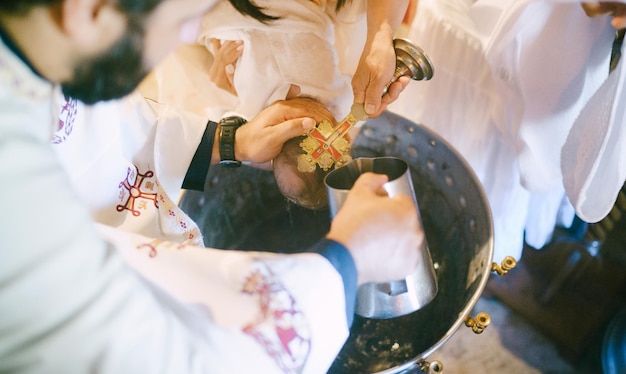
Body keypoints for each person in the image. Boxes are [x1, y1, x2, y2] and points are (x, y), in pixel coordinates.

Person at [0, 0, 424, 372]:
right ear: (88, 8)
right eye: (187, 16)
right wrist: (345, 262)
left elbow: (115, 134)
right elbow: (155, 356)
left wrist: (229, 140)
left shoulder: (38, 62)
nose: (194, 35)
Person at [389, 0, 626, 263]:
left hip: (544, 44)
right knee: (413, 166)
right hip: (456, 20)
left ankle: (460, 256)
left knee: (474, 213)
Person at [147, 0, 413, 208]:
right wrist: (383, 76)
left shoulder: (252, 117)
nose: (303, 115)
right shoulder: (341, 101)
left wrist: (219, 81)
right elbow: (363, 93)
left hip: (231, 25)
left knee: (212, 36)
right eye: (334, 134)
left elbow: (222, 116)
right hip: (299, 16)